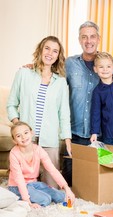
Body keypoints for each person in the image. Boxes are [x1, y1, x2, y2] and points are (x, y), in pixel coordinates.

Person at [62, 21, 113, 186]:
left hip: (103, 134)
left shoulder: (112, 63)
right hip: (76, 133)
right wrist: (32, 68)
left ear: (98, 39)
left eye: (92, 36)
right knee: (71, 180)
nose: (88, 41)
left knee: (108, 180)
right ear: (79, 40)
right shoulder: (69, 64)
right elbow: (50, 74)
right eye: (84, 37)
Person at [7, 36, 71, 188]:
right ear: (40, 50)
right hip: (26, 141)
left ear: (58, 56)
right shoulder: (23, 73)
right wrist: (20, 128)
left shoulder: (61, 82)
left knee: (52, 188)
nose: (50, 53)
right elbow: (11, 104)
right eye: (47, 48)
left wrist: (67, 140)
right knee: (21, 186)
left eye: (55, 51)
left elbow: (64, 113)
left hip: (49, 140)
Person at [8, 121, 75, 208]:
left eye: (26, 133)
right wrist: (27, 201)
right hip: (16, 186)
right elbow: (19, 179)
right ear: (14, 140)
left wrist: (67, 188)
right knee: (45, 199)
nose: (23, 137)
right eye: (18, 136)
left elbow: (52, 170)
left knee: (61, 197)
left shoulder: (38, 150)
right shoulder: (14, 153)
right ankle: (19, 198)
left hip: (33, 183)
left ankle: (35, 193)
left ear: (31, 133)